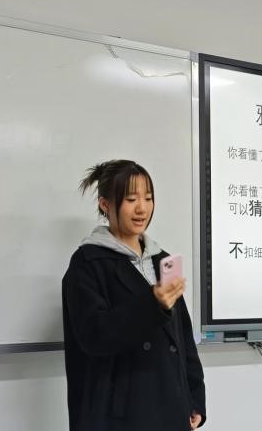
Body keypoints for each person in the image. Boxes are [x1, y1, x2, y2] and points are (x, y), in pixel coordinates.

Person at [62, 159, 206, 431]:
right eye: (131, 199)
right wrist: (152, 304)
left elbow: (183, 339)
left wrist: (194, 398)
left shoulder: (163, 261)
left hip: (171, 409)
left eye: (148, 198)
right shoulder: (88, 263)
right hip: (119, 416)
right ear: (105, 204)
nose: (142, 208)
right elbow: (95, 336)